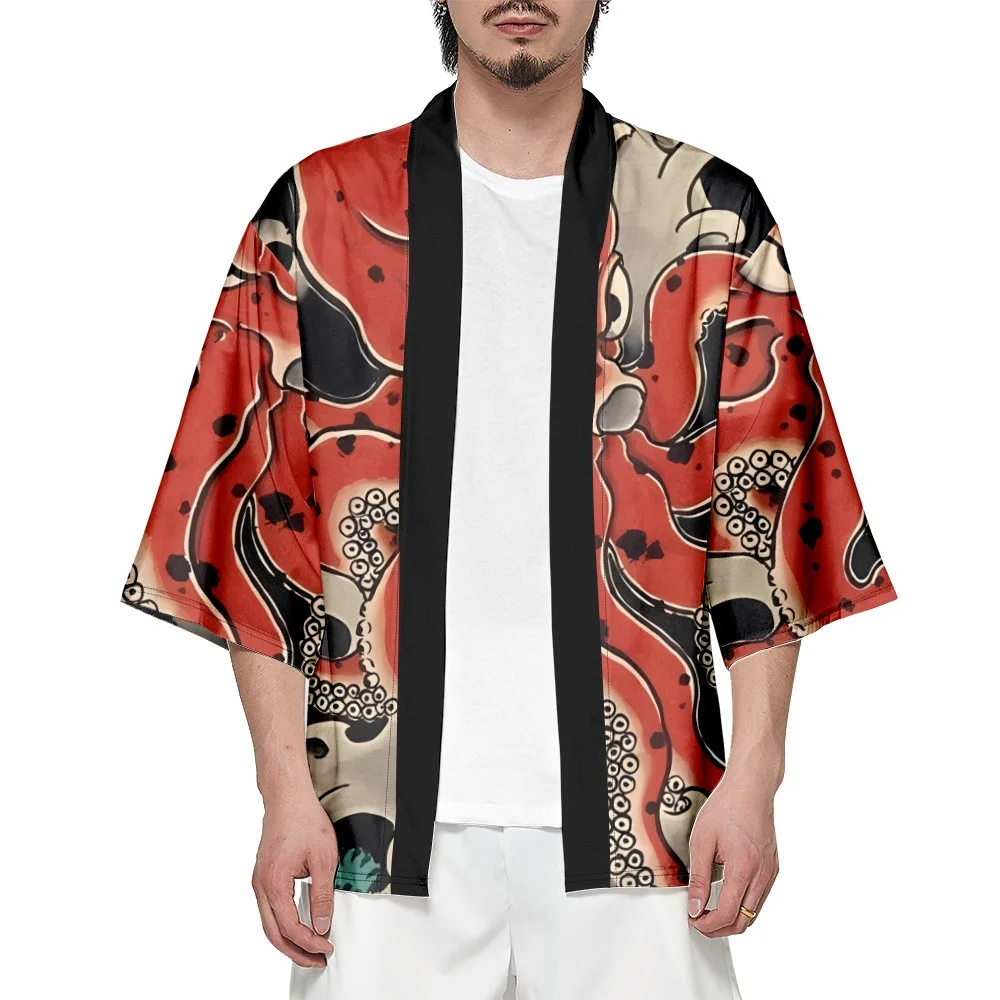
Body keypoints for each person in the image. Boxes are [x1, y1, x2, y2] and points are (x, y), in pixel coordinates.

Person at [120, 1, 897, 996]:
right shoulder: (317, 210)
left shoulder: (707, 214)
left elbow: (772, 519)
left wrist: (756, 776)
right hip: (374, 819)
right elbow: (249, 521)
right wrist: (281, 792)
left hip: (647, 819)